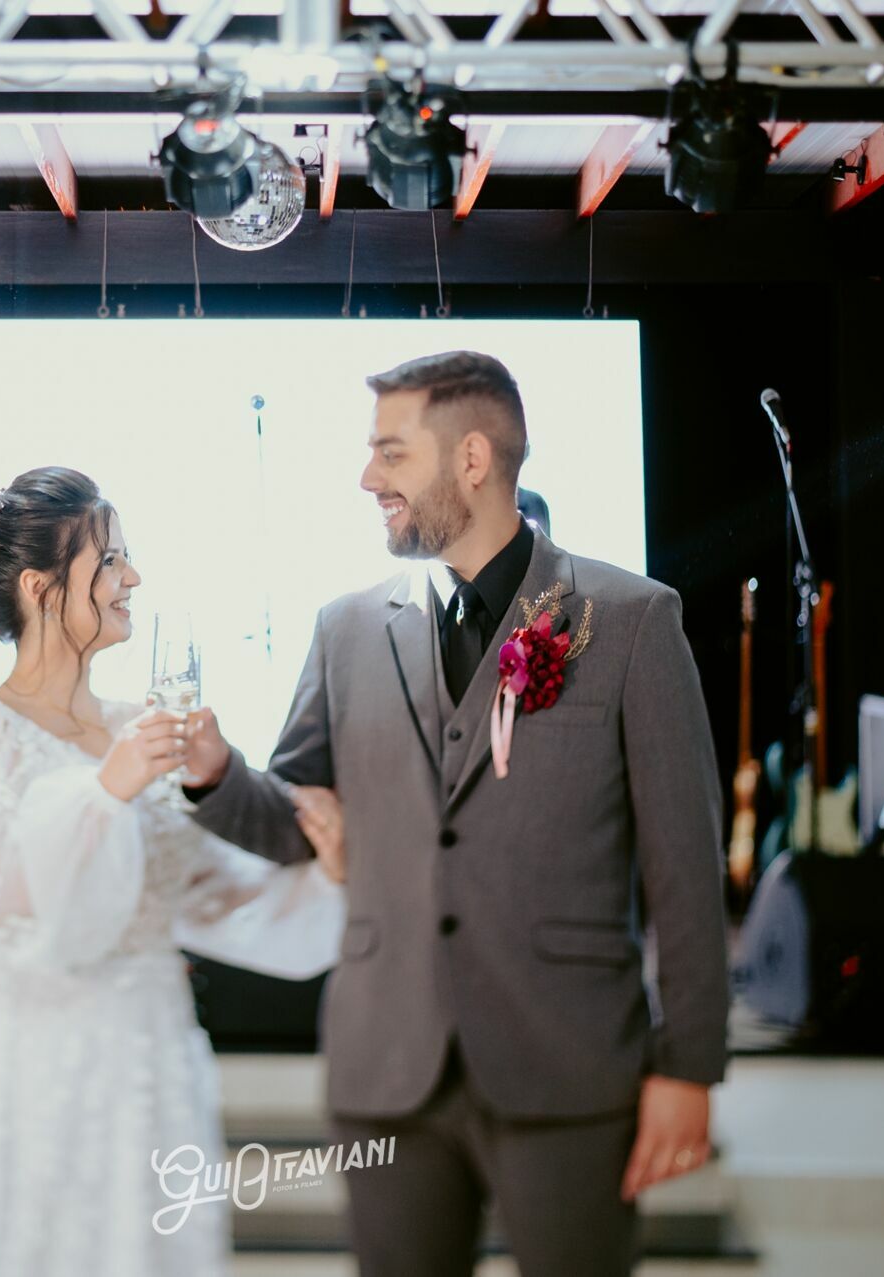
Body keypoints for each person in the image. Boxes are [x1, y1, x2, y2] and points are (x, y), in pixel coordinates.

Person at [181, 352, 730, 1276]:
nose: (368, 479)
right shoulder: (345, 629)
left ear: (471, 458)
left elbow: (687, 864)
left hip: (569, 1065)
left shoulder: (633, 620)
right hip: (387, 1066)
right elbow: (290, 819)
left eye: (392, 455)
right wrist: (211, 774)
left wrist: (690, 1066)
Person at [0, 466, 345, 1277]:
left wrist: (328, 870)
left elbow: (208, 891)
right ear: (40, 587)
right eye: (111, 560)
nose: (134, 579)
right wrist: (102, 791)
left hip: (146, 1058)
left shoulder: (144, 728)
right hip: (18, 1057)